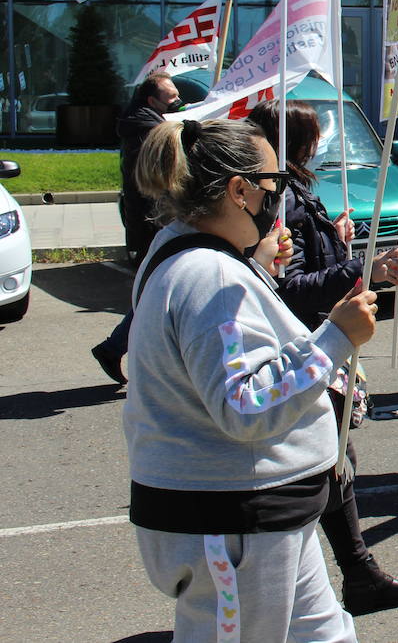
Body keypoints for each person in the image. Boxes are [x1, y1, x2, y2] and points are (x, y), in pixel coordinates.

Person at [123, 116, 378, 642]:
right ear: (240, 192)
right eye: (274, 184)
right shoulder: (209, 275)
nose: (279, 198)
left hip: (259, 512)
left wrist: (257, 265)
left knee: (325, 634)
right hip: (232, 520)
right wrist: (335, 337)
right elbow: (246, 404)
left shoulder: (186, 253)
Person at [247, 101, 398, 617]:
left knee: (334, 461)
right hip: (305, 345)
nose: (323, 145)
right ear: (298, 144)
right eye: (316, 137)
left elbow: (308, 265)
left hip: (316, 344)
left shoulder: (296, 193)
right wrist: (357, 271)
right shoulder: (283, 205)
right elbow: (292, 289)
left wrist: (342, 246)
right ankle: (350, 577)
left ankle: (351, 574)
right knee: (330, 463)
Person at [90, 71, 185, 385]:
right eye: (171, 98)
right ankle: (114, 348)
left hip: (153, 220)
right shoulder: (147, 126)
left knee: (157, 293)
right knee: (153, 294)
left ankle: (117, 349)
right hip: (151, 223)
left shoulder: (146, 120)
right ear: (151, 100)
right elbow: (177, 138)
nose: (178, 102)